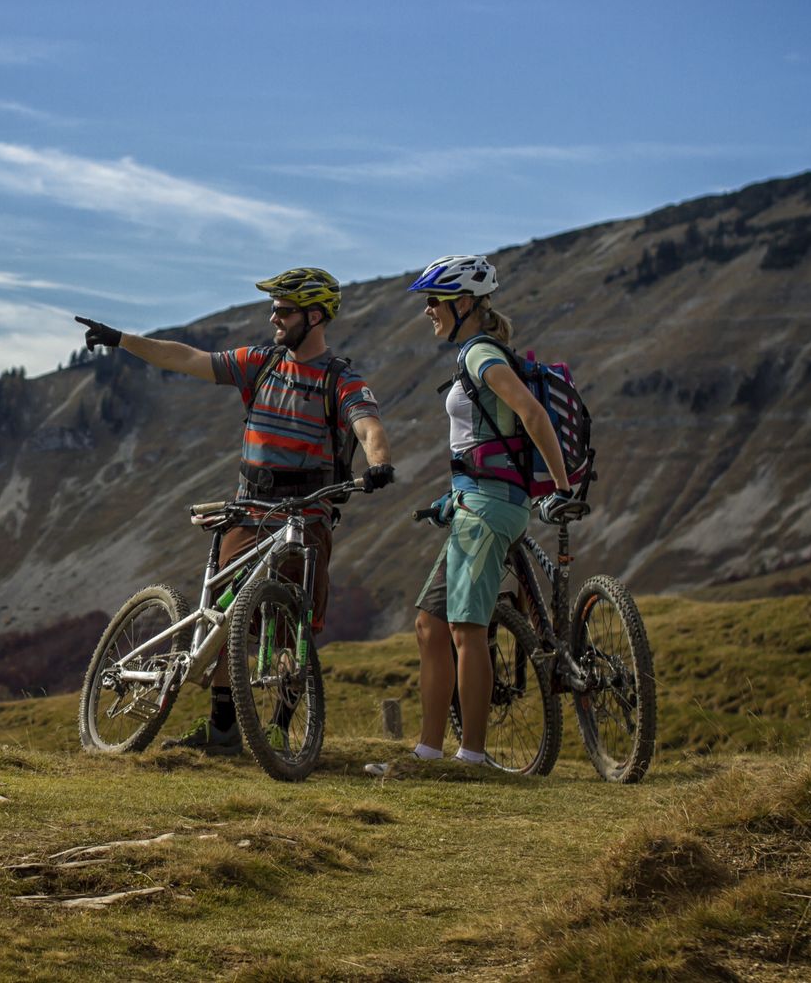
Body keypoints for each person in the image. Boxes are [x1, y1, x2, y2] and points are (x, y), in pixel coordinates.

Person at [75, 267, 395, 755]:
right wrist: (123, 340)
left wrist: (379, 463)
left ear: (314, 315)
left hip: (305, 516)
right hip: (249, 509)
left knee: (294, 627)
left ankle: (279, 730)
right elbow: (186, 358)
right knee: (228, 619)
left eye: (284, 310)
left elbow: (368, 425)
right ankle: (223, 728)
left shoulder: (341, 380)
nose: (274, 317)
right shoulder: (260, 364)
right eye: (275, 309)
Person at [373, 255, 581, 774]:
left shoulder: (480, 354)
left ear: (464, 303)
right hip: (476, 503)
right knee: (430, 623)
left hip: (488, 510)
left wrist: (561, 486)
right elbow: (488, 439)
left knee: (466, 627)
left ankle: (471, 756)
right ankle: (427, 751)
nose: (427, 311)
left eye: (434, 302)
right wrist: (454, 495)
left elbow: (530, 415)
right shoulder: (473, 353)